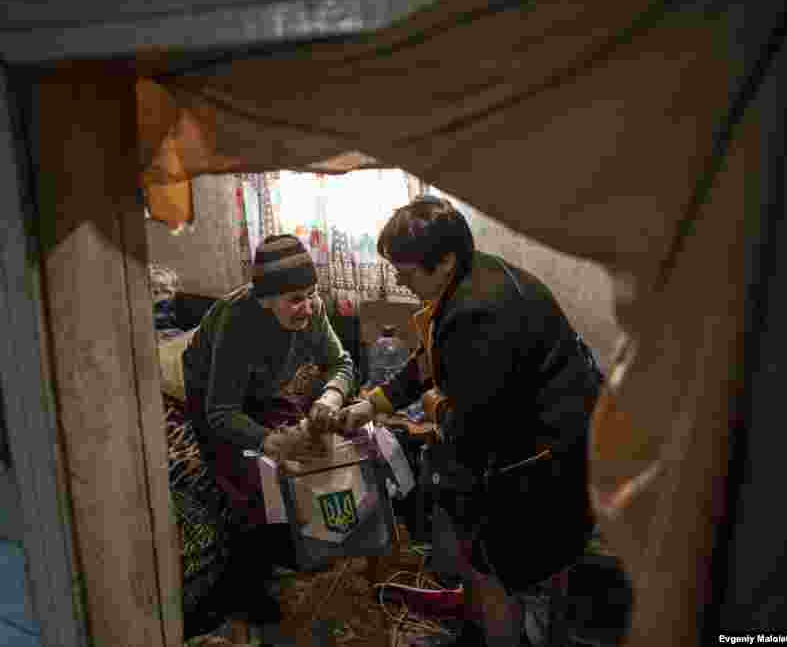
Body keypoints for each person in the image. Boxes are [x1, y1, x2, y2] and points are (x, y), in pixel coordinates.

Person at [335, 197, 603, 646]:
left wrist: (435, 410)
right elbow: (431, 358)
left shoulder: (478, 313)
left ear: (444, 261)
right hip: (565, 436)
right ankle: (500, 616)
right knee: (526, 560)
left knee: (493, 567)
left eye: (405, 272)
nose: (398, 280)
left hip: (541, 461)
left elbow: (473, 429)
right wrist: (374, 403)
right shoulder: (475, 273)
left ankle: (498, 627)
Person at [182, 234, 356, 624]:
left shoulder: (312, 309)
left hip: (262, 385)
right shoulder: (237, 321)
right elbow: (221, 412)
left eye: (312, 294)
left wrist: (331, 396)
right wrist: (268, 440)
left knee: (298, 456)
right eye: (295, 299)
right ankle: (245, 589)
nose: (307, 306)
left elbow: (341, 364)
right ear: (265, 301)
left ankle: (286, 543)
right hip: (213, 391)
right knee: (246, 474)